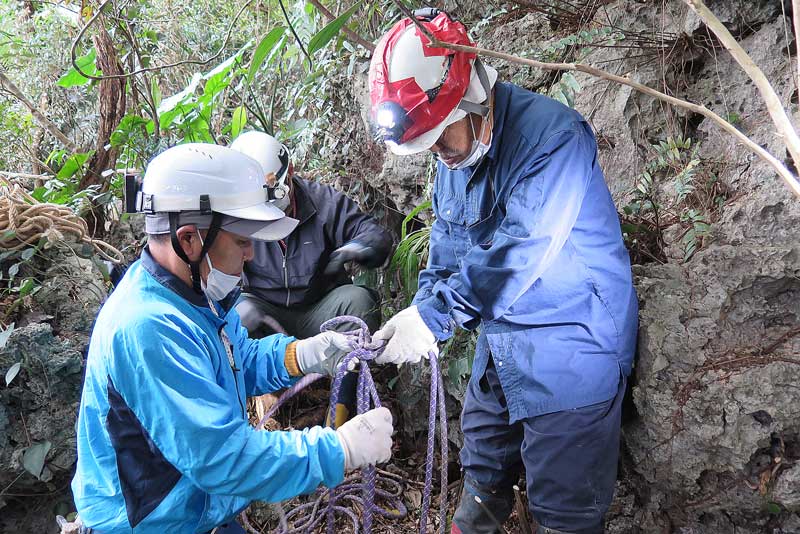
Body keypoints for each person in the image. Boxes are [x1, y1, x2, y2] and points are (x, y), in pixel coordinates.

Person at [368, 10, 638, 534]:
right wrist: (418, 312)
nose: (441, 158)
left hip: (571, 345)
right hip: (503, 344)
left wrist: (437, 319)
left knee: (564, 512)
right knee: (482, 472)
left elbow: (518, 253)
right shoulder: (455, 157)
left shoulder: (552, 140)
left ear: (474, 100)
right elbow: (445, 253)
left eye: (444, 141)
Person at [70, 143, 393, 533]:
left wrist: (305, 354)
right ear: (189, 240)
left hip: (196, 506)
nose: (253, 255)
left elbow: (238, 359)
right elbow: (223, 459)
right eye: (243, 241)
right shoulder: (148, 328)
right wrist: (338, 450)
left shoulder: (195, 297)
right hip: (151, 523)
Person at [230, 131, 393, 426]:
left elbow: (374, 235)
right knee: (237, 315)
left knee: (359, 301)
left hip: (318, 311)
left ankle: (341, 414)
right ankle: (256, 407)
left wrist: (355, 249)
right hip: (265, 314)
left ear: (289, 173)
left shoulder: (323, 203)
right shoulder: (237, 214)